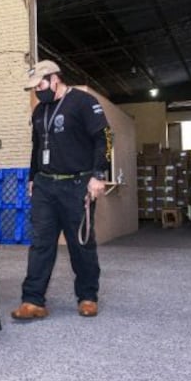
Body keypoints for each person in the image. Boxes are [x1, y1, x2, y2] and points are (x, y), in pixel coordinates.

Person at [11, 59, 112, 320]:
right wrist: (33, 177)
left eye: (41, 84)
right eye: (34, 87)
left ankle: (88, 296)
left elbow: (103, 138)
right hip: (45, 185)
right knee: (41, 243)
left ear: (55, 78)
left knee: (81, 244)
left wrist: (98, 175)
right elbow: (37, 147)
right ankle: (33, 300)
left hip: (78, 184)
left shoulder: (83, 102)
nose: (38, 91)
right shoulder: (39, 111)